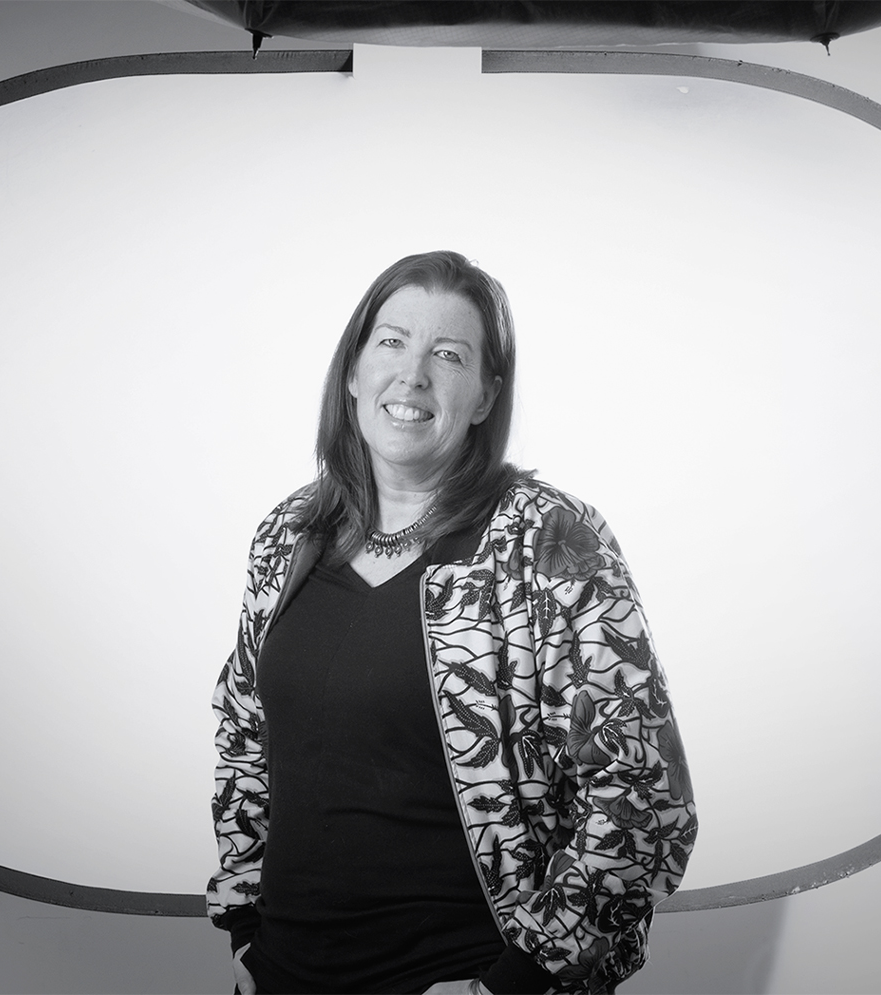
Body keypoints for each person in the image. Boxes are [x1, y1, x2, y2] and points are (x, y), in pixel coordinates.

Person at [207, 251, 694, 994]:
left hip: (458, 977)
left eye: (449, 354)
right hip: (280, 974)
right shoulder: (288, 534)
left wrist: (514, 981)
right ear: (352, 370)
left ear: (483, 396)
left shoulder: (546, 541)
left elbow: (641, 792)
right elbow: (244, 739)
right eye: (393, 342)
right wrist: (244, 928)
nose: (413, 376)